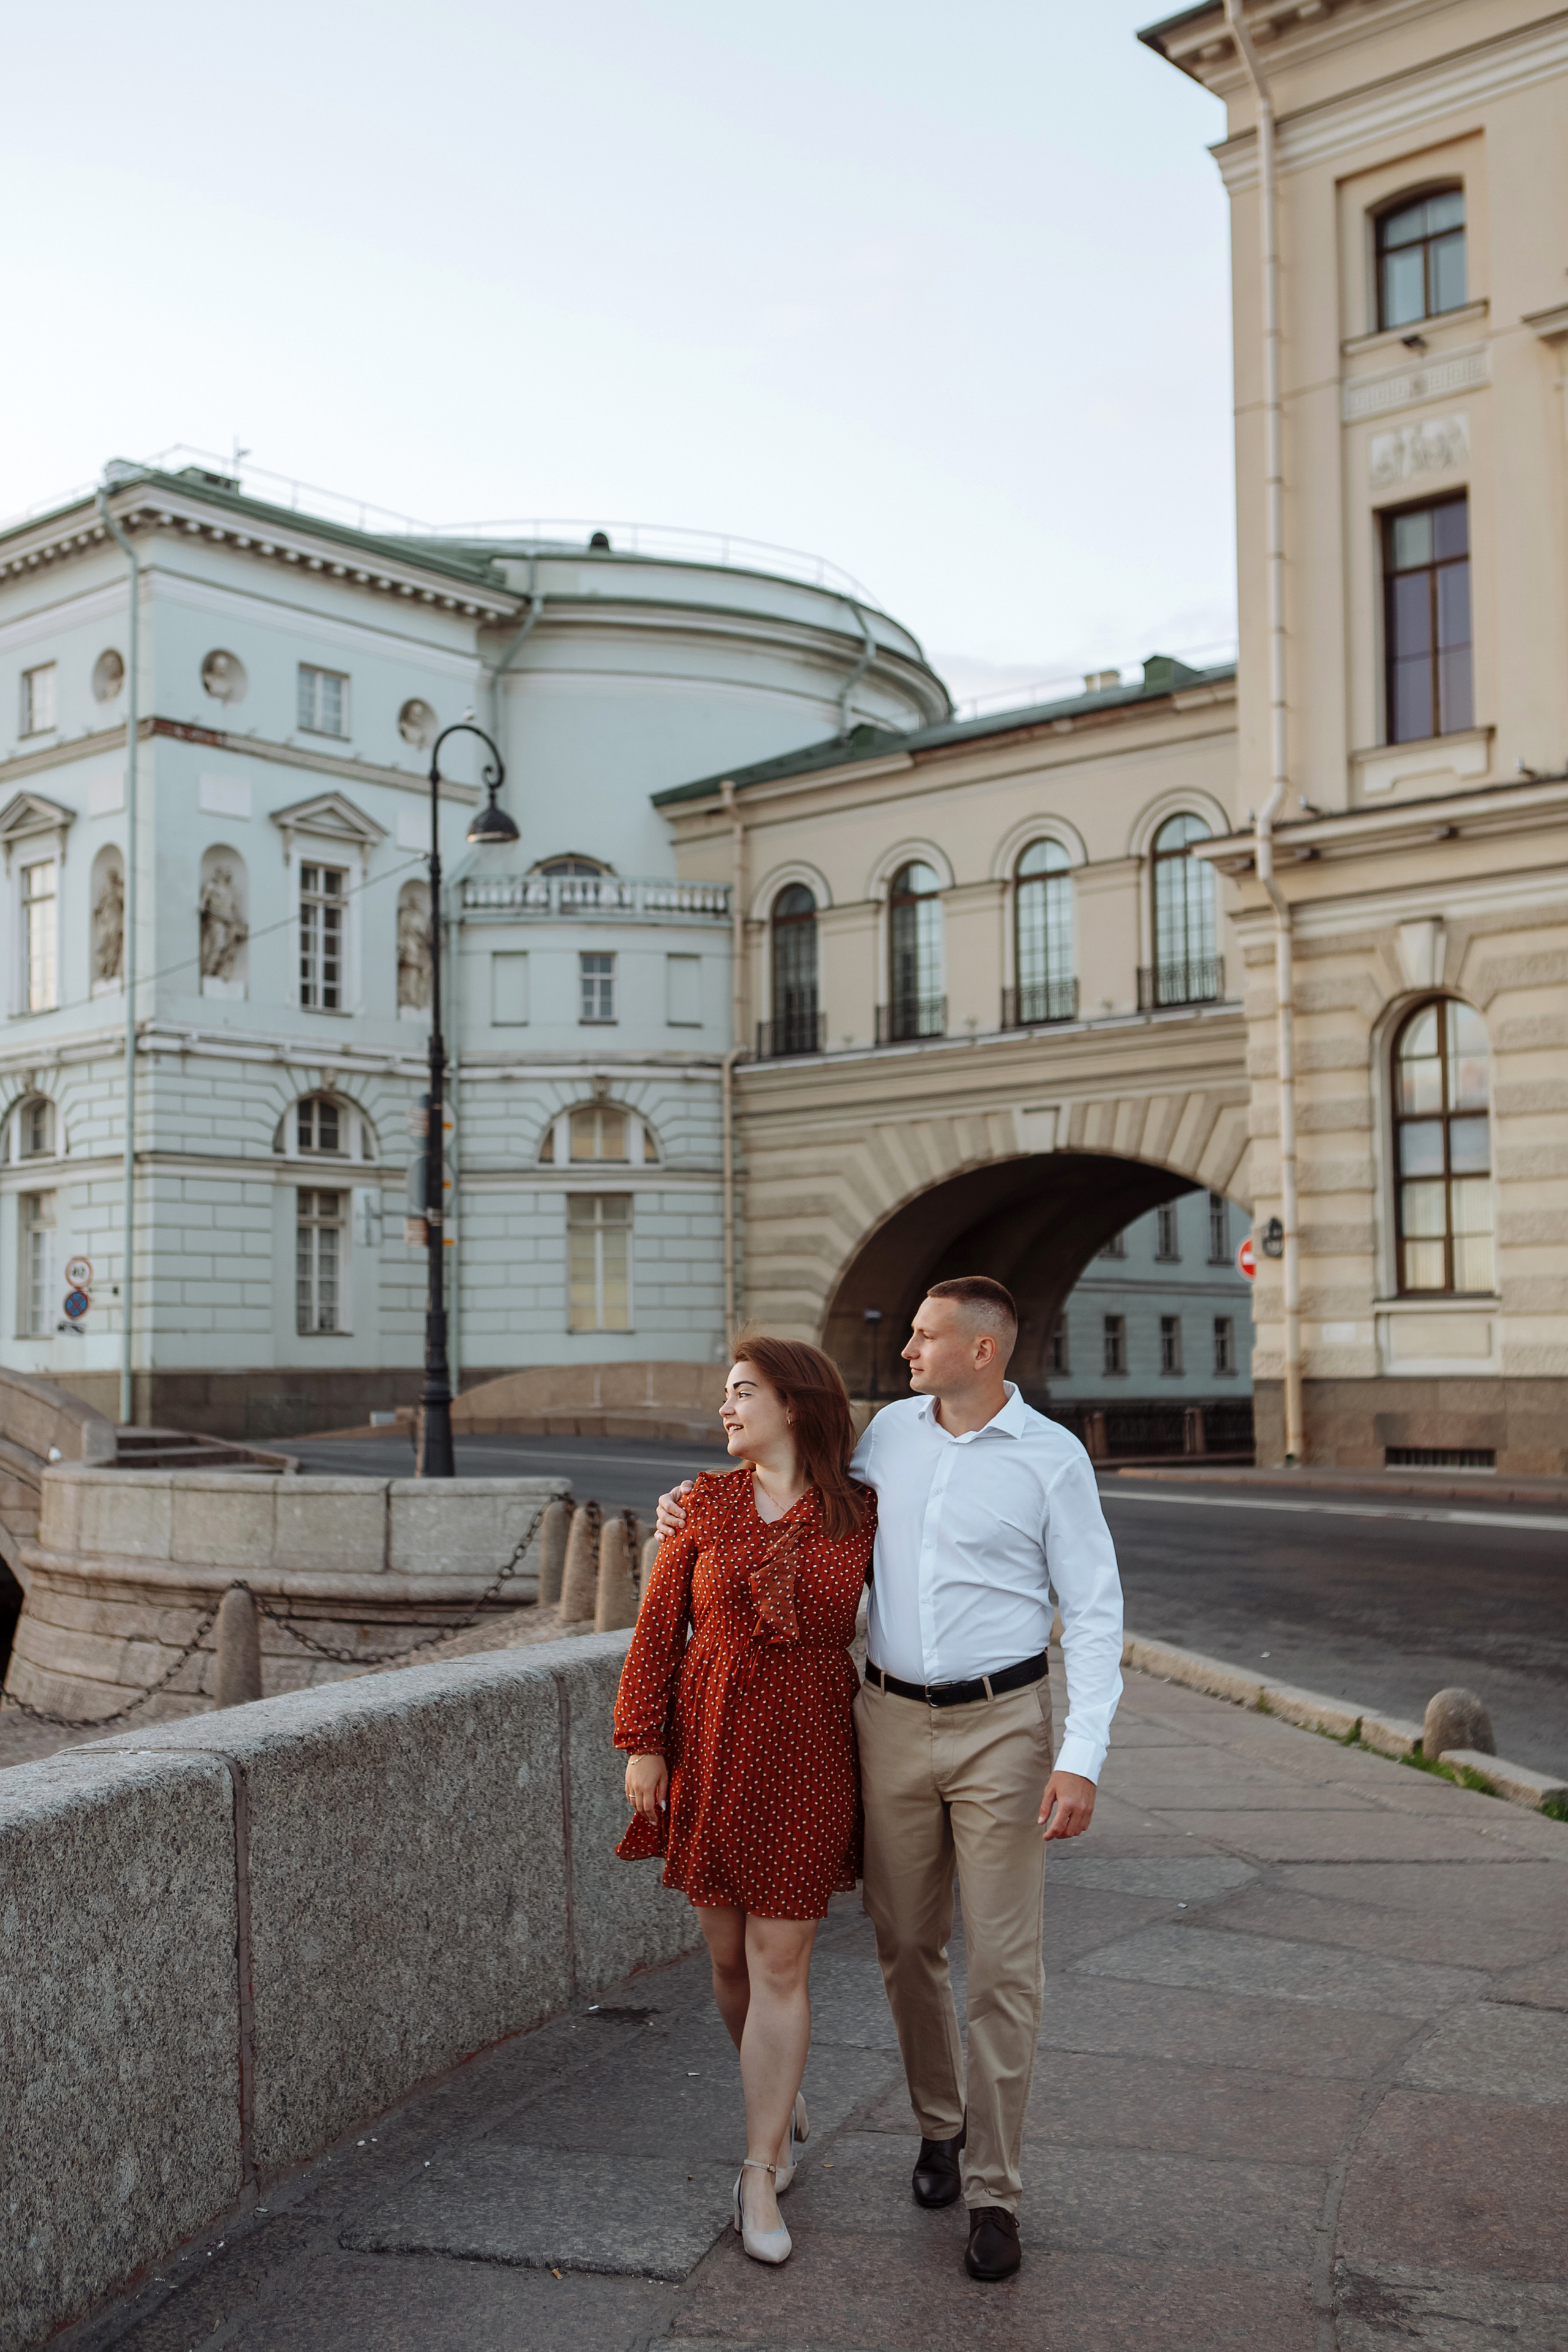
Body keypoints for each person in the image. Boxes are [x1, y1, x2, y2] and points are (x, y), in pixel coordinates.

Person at [656, 1276, 1123, 2283]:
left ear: (983, 1351)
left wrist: (1081, 1756)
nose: (906, 1349)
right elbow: (782, 1491)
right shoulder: (885, 1445)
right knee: (907, 1944)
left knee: (1004, 1966)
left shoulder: (1053, 1460)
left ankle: (995, 2192)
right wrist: (686, 1507)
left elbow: (1092, 1609)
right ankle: (939, 2128)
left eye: (924, 1335)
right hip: (885, 1718)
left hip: (1003, 1724)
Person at [614, 1335, 875, 2269]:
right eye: (724, 1396)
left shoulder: (860, 1512)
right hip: (712, 1740)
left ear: (795, 1405)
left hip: (810, 1747)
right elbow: (655, 1633)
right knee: (727, 1955)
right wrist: (643, 1744)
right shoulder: (701, 1504)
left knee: (781, 1959)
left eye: (742, 1393)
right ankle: (779, 2082)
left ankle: (759, 2168)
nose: (726, 1410)